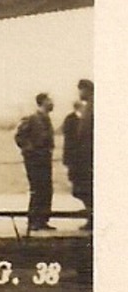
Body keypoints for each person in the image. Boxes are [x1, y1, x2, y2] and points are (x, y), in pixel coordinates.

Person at [14, 93, 56, 232]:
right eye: (49, 100)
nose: (52, 103)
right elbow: (19, 136)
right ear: (42, 102)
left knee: (46, 189)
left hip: (45, 158)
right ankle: (34, 221)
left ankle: (43, 220)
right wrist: (30, 150)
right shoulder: (32, 118)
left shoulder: (46, 119)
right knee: (37, 189)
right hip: (34, 160)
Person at [62, 78, 93, 228]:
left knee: (84, 188)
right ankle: (91, 215)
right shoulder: (89, 107)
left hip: (86, 158)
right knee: (82, 188)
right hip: (83, 157)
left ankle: (92, 217)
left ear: (86, 90)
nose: (79, 93)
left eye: (80, 89)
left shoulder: (93, 107)